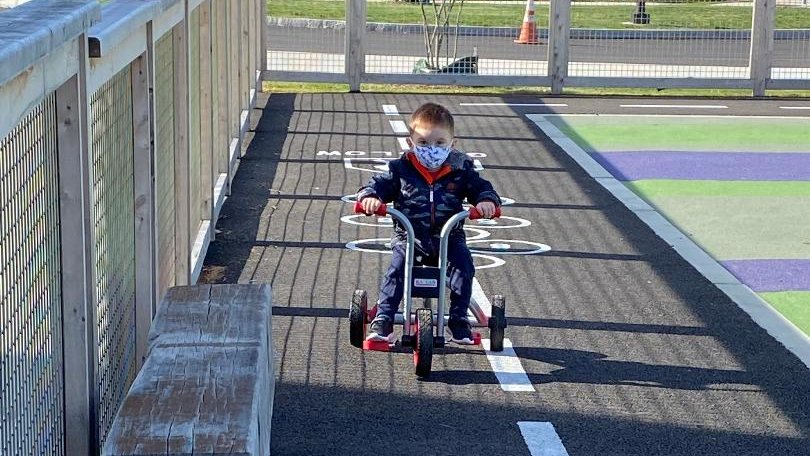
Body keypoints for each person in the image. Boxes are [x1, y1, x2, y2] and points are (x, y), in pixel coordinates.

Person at [356, 102, 501, 344]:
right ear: (411, 142)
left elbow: (481, 188)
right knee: (397, 268)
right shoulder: (400, 169)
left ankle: (458, 319)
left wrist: (486, 201)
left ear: (452, 144)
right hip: (410, 237)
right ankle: (384, 318)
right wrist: (370, 197)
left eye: (439, 143)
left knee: (463, 266)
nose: (431, 149)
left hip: (448, 237)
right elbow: (378, 184)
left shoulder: (461, 168)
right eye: (423, 143)